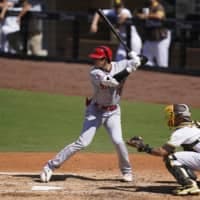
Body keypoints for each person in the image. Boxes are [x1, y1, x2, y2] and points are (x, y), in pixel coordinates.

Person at [40, 46, 144, 183]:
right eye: (94, 58)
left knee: (118, 140)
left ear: (106, 59)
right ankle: (50, 166)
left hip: (113, 111)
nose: (94, 60)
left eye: (98, 58)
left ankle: (127, 171)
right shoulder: (95, 72)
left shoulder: (120, 65)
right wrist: (131, 68)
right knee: (83, 142)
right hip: (95, 111)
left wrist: (137, 58)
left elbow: (144, 59)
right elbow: (112, 82)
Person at [127, 104, 200, 195]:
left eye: (172, 116)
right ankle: (192, 181)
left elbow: (162, 152)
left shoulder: (181, 132)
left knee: (171, 158)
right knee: (184, 153)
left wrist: (142, 147)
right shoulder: (196, 125)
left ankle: (190, 185)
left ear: (180, 117)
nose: (169, 118)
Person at [137, 0, 171, 67]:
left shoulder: (159, 6)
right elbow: (137, 14)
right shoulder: (147, 6)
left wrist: (145, 16)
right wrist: (139, 15)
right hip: (150, 38)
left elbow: (159, 16)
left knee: (162, 64)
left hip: (161, 38)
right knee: (145, 62)